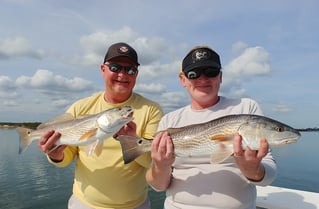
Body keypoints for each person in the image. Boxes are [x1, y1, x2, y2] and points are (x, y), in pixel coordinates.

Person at [146, 46, 277, 209]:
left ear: (220, 76)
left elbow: (269, 174)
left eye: (211, 71)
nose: (202, 79)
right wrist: (161, 165)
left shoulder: (246, 108)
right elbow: (158, 185)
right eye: (193, 73)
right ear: (183, 79)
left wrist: (252, 169)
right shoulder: (169, 121)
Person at [38, 42, 163, 209]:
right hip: (84, 204)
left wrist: (131, 141)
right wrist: (55, 155)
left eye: (130, 70)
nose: (122, 75)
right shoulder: (80, 107)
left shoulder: (152, 110)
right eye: (115, 67)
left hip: (135, 205)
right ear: (103, 69)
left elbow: (152, 162)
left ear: (136, 74)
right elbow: (65, 158)